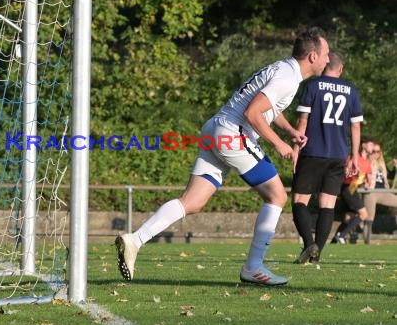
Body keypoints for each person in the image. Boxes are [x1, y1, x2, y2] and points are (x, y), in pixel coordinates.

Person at [115, 26, 330, 286]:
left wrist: (290, 131)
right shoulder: (287, 77)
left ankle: (134, 240)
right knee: (277, 195)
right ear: (313, 57)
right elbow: (253, 113)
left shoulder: (283, 69)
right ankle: (254, 267)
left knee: (192, 202)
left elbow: (269, 108)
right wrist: (279, 144)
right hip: (233, 134)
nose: (329, 59)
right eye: (326, 54)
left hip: (215, 128)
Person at [290, 51, 363, 264]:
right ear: (340, 69)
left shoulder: (312, 85)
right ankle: (316, 255)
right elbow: (355, 125)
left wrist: (296, 148)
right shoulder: (351, 90)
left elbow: (303, 120)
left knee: (299, 201)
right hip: (338, 155)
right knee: (327, 204)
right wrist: (354, 156)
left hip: (313, 151)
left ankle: (309, 244)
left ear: (325, 66)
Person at [331, 137, 375, 244]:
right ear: (364, 145)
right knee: (364, 215)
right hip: (347, 188)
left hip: (353, 189)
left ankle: (334, 241)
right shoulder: (354, 157)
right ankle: (341, 236)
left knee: (348, 217)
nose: (372, 147)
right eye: (371, 145)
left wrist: (367, 183)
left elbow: (368, 180)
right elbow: (345, 171)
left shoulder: (367, 162)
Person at [362, 143, 397, 243]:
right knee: (369, 218)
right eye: (374, 151)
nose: (376, 154)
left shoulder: (382, 164)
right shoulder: (366, 162)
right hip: (371, 192)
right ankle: (366, 242)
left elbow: (390, 176)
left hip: (384, 192)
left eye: (378, 151)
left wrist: (395, 167)